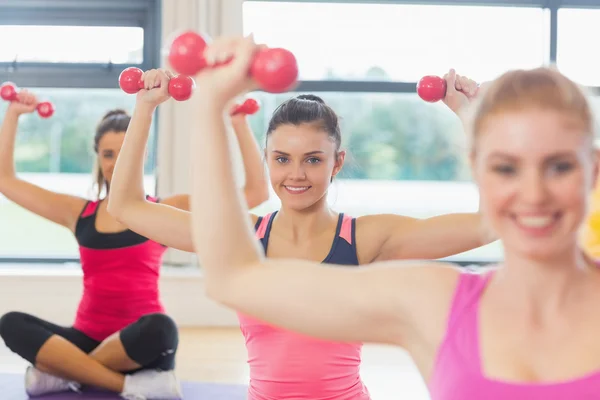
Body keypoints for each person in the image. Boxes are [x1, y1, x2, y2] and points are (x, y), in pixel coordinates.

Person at [187, 35, 600, 400]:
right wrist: (210, 105)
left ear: (594, 171)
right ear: (477, 171)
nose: (533, 194)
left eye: (560, 166)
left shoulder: (387, 258)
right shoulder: (434, 301)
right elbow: (232, 277)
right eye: (505, 168)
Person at [107, 61, 493, 398]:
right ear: (267, 160)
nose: (295, 174)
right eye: (281, 159)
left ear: (336, 162)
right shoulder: (238, 239)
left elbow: (486, 224)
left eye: (312, 159)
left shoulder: (366, 239)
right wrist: (145, 107)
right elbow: (125, 206)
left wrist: (471, 118)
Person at [0, 85, 263, 399]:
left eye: (125, 151)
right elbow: (5, 180)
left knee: (162, 327)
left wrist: (239, 124)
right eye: (108, 154)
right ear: (98, 157)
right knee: (11, 323)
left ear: (141, 151)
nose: (115, 162)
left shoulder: (165, 210)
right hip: (86, 337)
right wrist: (13, 114)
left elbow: (254, 193)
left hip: (142, 345)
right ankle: (123, 384)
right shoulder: (78, 212)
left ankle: (65, 372)